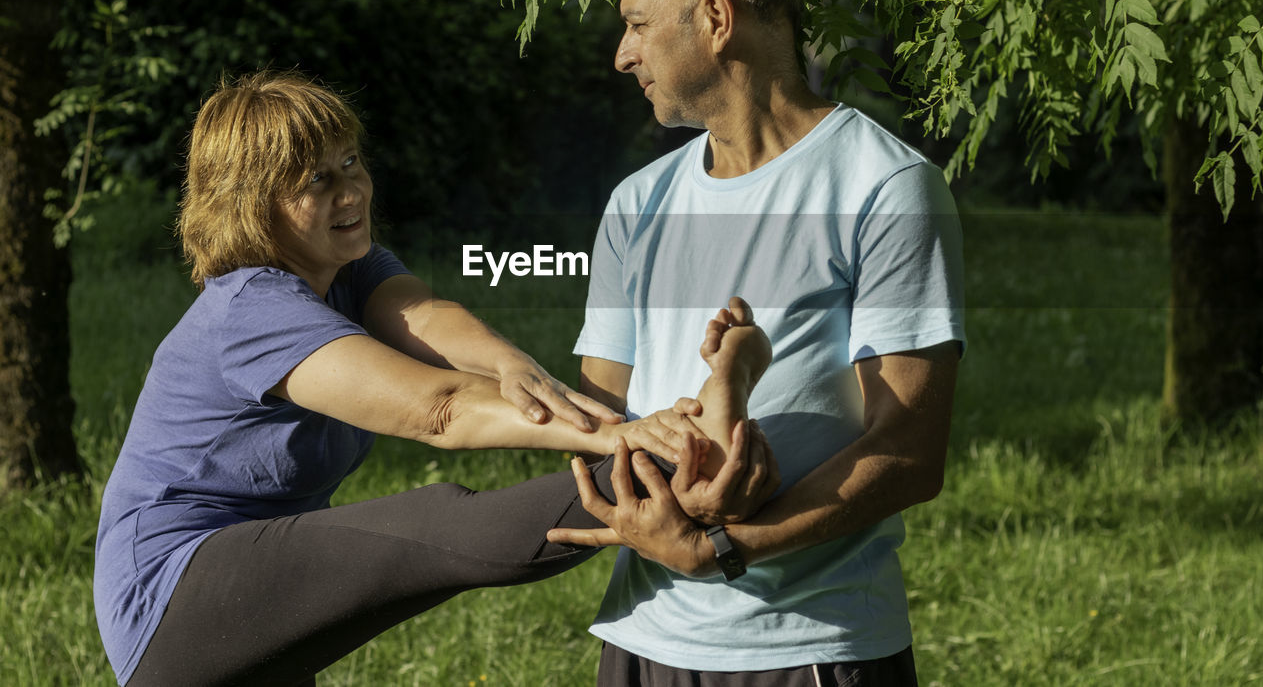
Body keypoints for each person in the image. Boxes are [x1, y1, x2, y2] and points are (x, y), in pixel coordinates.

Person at [92, 71, 774, 686]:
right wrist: (625, 435)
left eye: (350, 162)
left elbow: (425, 317)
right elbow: (440, 409)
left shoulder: (344, 267)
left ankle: (672, 465)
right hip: (173, 589)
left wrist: (509, 364)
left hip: (246, 576)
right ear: (251, 205)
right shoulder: (253, 308)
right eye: (315, 181)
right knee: (437, 523)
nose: (350, 189)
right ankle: (675, 462)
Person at [546, 0, 967, 686]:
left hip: (810, 648)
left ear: (715, 17)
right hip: (646, 637)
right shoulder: (636, 204)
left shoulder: (887, 187)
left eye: (637, 23)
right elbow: (596, 423)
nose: (621, 54)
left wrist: (724, 547)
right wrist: (680, 470)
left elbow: (908, 452)